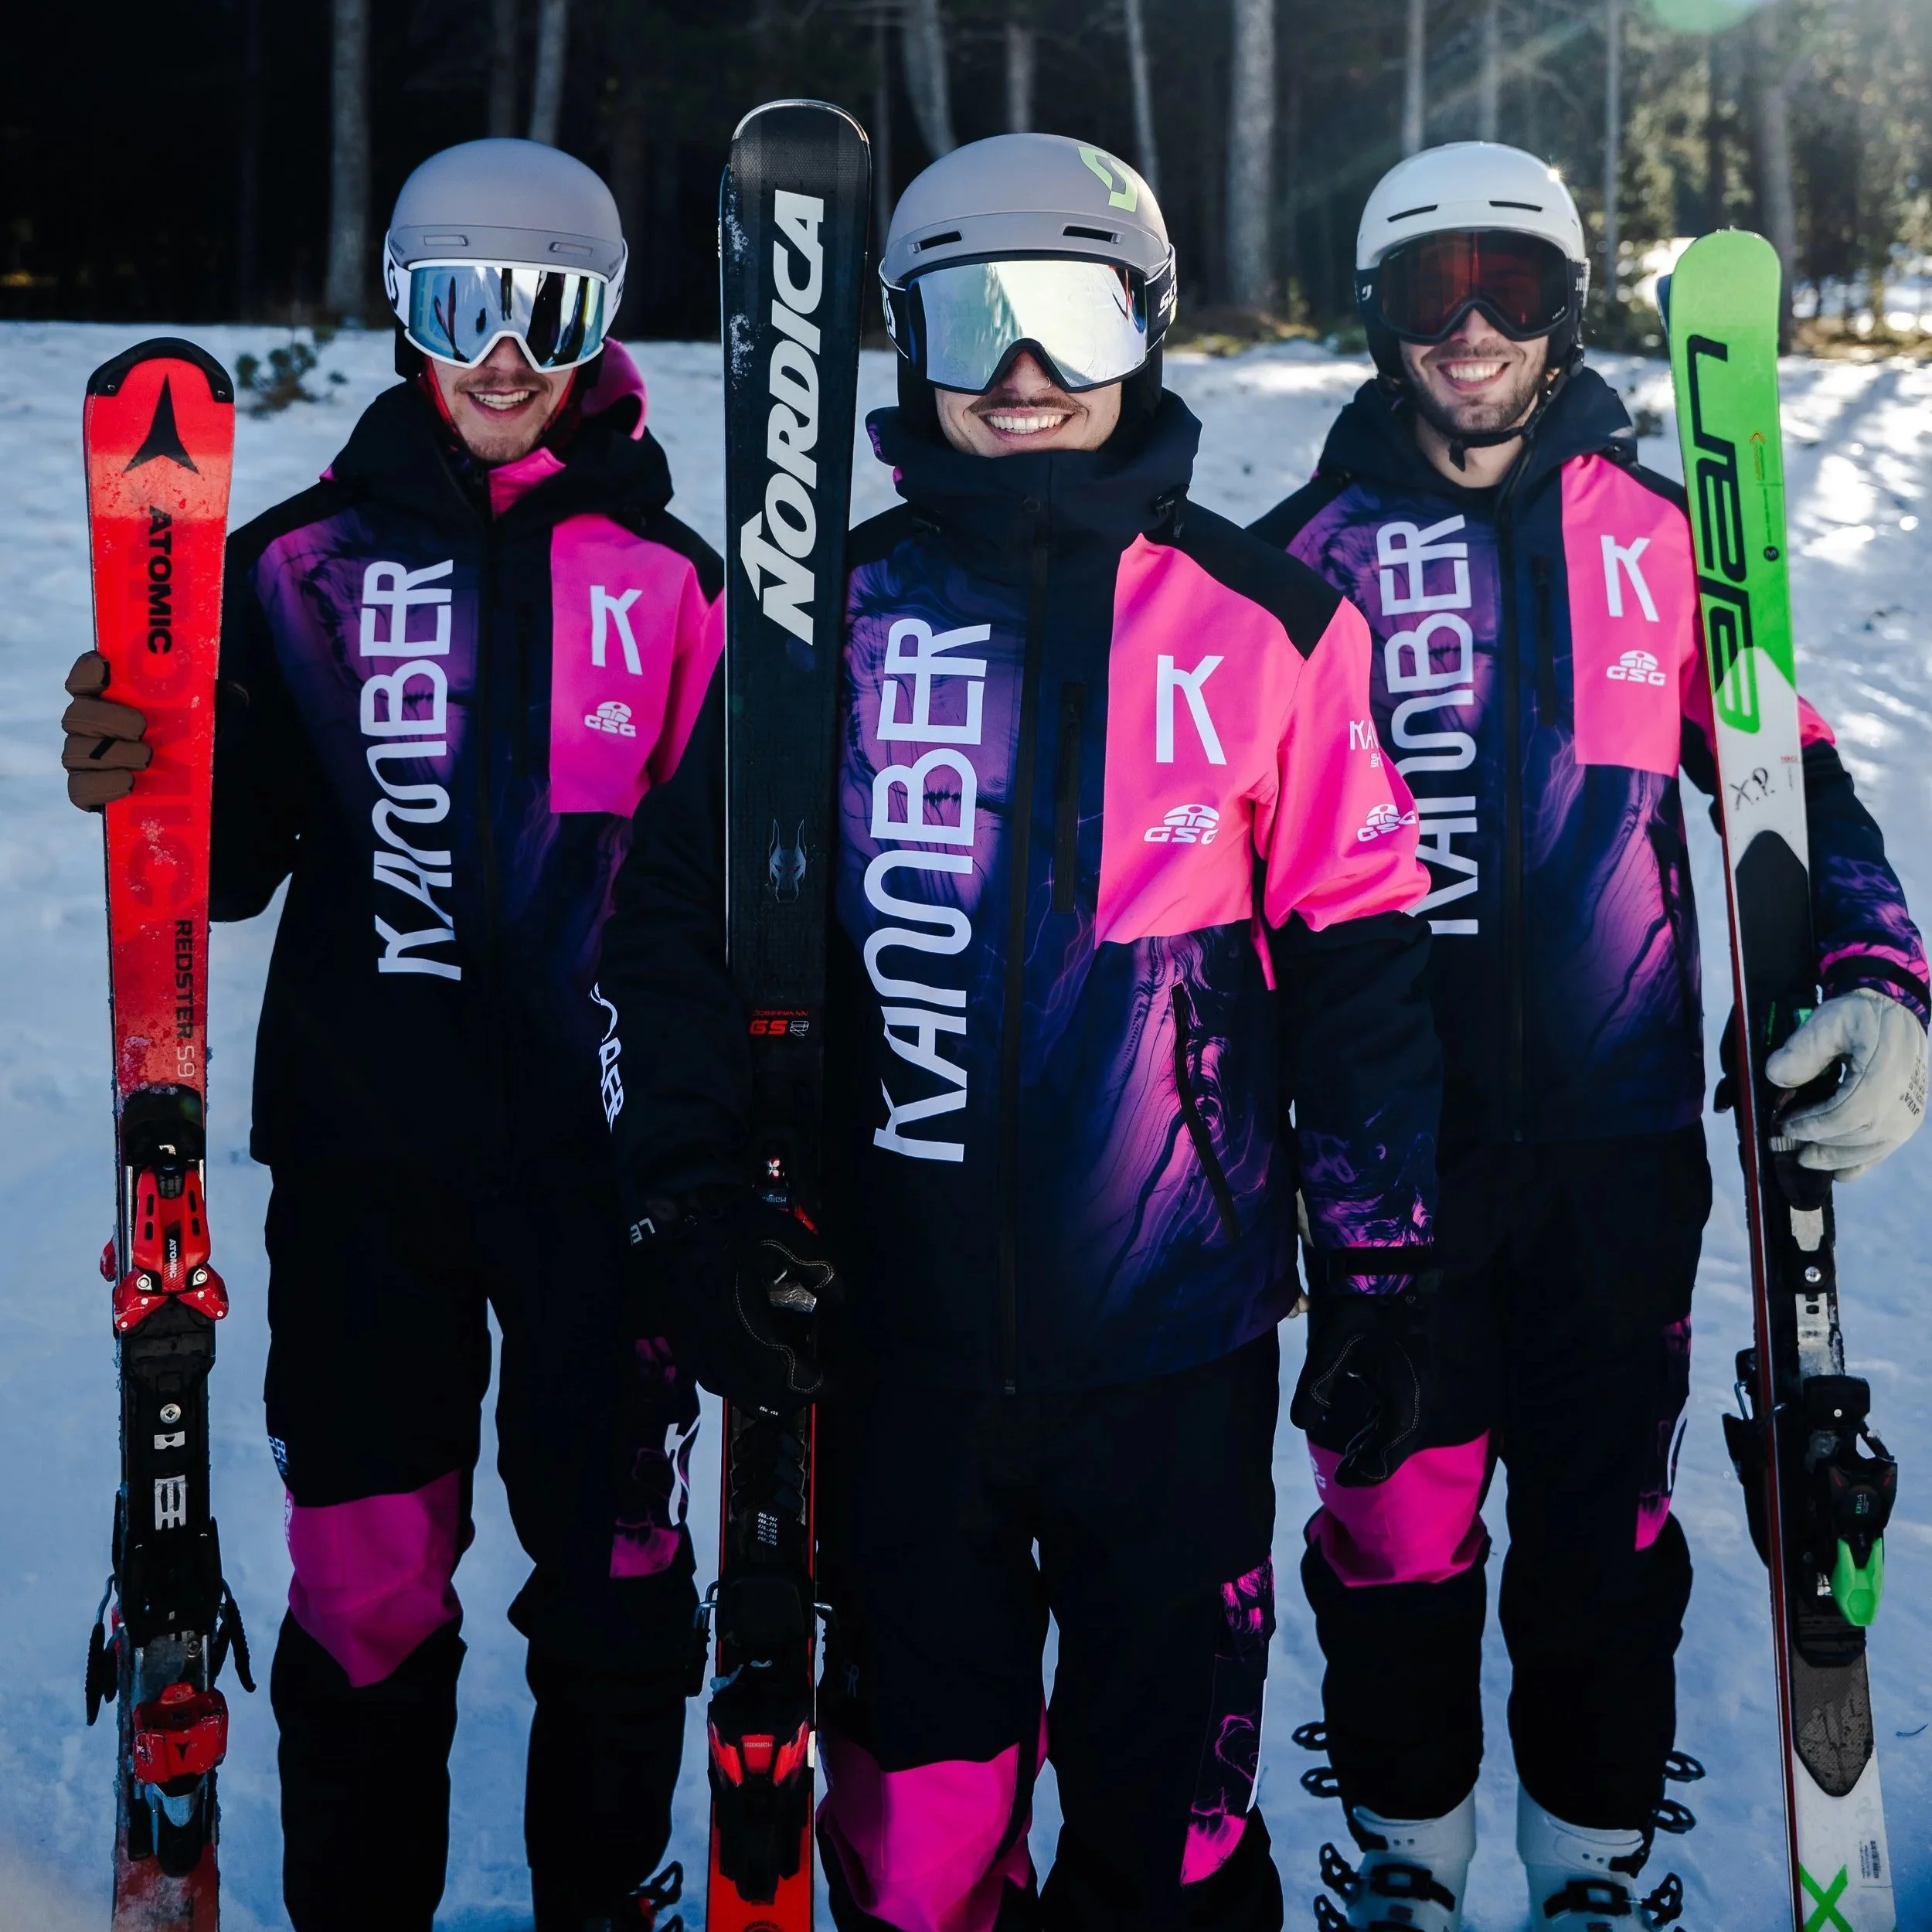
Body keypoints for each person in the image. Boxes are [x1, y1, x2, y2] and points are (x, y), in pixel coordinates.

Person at [594, 132, 1445, 1932]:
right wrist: (693, 1207)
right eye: (973, 324)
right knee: (915, 1834)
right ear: (903, 343)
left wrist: (1380, 1271)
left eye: (1066, 317)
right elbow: (667, 932)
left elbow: (1361, 965)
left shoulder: (1276, 622)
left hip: (1170, 1353)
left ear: (1141, 325)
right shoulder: (811, 623)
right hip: (885, 1352)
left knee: (1170, 1827)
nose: (1027, 377)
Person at [1250, 141, 1930, 1930]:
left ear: (1562, 310)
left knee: (1600, 1527)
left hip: (1617, 1146)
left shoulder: (1663, 546)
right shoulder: (1292, 568)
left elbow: (1799, 797)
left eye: (1510, 287)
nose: (1467, 331)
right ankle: (1403, 1854)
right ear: (1378, 318)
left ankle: (1592, 1860)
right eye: (1426, 291)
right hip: (1387, 1165)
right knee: (1391, 1526)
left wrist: (1869, 967)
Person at [60, 139, 721, 1932]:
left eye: (544, 313)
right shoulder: (289, 569)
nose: (499, 358)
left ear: (596, 329)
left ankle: (607, 1891)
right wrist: (147, 777)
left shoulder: (674, 586)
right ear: (402, 312)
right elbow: (231, 858)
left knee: (614, 1566)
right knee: (363, 1582)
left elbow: (710, 900)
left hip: (601, 1181)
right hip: (366, 1163)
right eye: (457, 309)